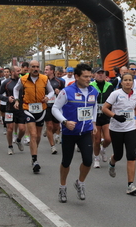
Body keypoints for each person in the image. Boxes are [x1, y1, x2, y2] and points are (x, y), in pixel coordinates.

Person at [52, 63, 98, 203]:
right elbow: (55, 108)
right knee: (66, 162)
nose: (88, 79)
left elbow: (94, 106)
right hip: (69, 132)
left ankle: (80, 183)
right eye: (85, 76)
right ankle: (62, 187)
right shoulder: (67, 91)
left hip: (85, 132)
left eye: (90, 76)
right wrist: (65, 122)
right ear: (77, 76)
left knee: (88, 160)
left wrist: (94, 122)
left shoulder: (93, 91)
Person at [102, 73, 136, 195]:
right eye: (125, 80)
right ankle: (112, 162)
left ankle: (130, 185)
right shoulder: (115, 94)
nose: (127, 82)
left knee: (131, 155)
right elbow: (104, 108)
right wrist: (115, 116)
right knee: (119, 155)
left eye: (130, 80)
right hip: (116, 129)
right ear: (121, 82)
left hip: (130, 129)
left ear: (133, 82)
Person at [13, 60, 55, 173]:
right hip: (28, 108)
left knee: (38, 136)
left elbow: (51, 92)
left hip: (41, 109)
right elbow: (16, 89)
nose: (35, 69)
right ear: (29, 68)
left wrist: (47, 97)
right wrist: (17, 100)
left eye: (37, 67)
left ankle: (34, 152)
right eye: (33, 67)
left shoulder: (44, 79)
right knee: (33, 134)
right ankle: (35, 160)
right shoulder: (23, 79)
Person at [0, 66, 25, 155]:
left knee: (22, 129)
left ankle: (19, 140)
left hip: (21, 108)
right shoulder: (6, 83)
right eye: (17, 71)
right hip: (9, 109)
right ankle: (10, 146)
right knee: (10, 129)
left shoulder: (23, 81)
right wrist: (7, 98)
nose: (19, 72)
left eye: (20, 71)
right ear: (12, 72)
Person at [89, 67, 114, 168]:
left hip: (106, 115)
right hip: (95, 115)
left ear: (105, 75)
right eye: (98, 73)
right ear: (94, 75)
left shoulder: (110, 86)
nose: (100, 75)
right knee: (97, 139)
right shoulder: (91, 86)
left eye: (102, 73)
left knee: (108, 138)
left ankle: (103, 150)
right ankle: (96, 158)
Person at [44, 64, 65, 154]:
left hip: (56, 106)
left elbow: (65, 93)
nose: (45, 71)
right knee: (49, 126)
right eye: (45, 70)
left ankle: (49, 134)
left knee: (56, 127)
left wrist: (59, 92)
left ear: (52, 71)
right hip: (46, 106)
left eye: (47, 70)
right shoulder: (42, 80)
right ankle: (52, 146)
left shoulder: (59, 81)